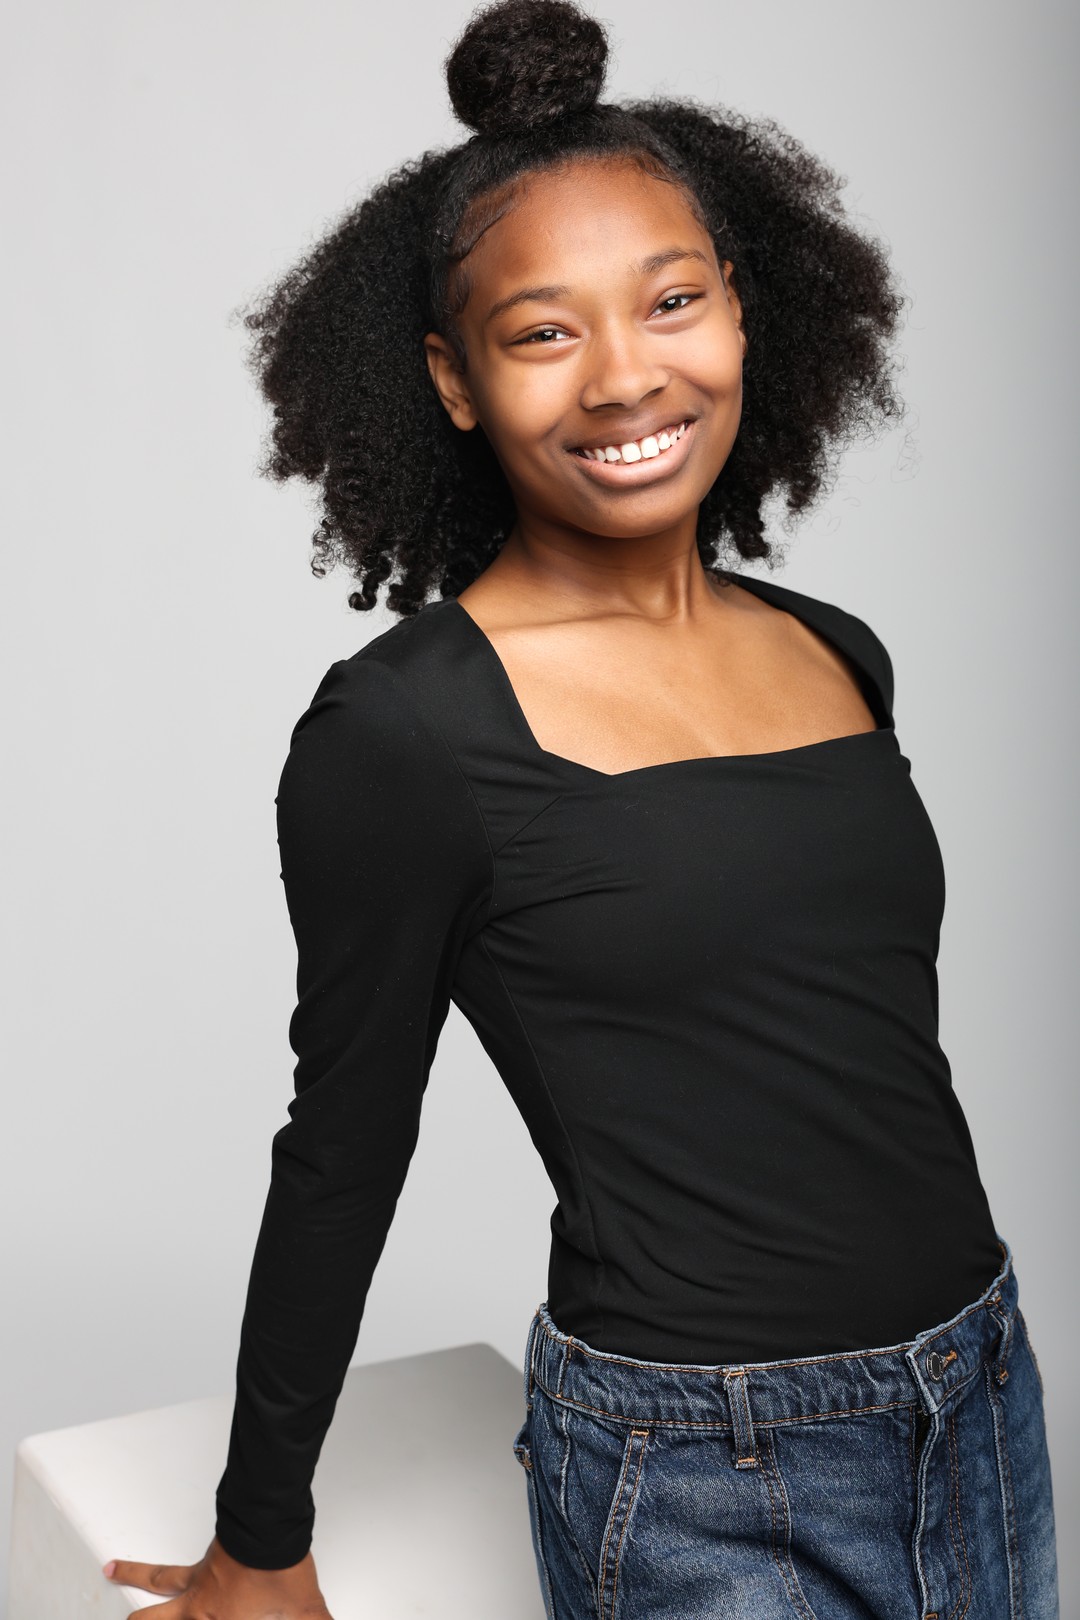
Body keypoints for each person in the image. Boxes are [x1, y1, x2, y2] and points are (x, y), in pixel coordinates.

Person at [103, 1, 1060, 1615]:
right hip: (701, 1470)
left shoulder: (834, 651)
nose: (627, 376)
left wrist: (969, 1388)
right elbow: (343, 1144)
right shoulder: (407, 732)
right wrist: (260, 1540)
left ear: (742, 307)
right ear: (454, 378)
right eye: (545, 332)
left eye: (673, 301)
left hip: (978, 1399)